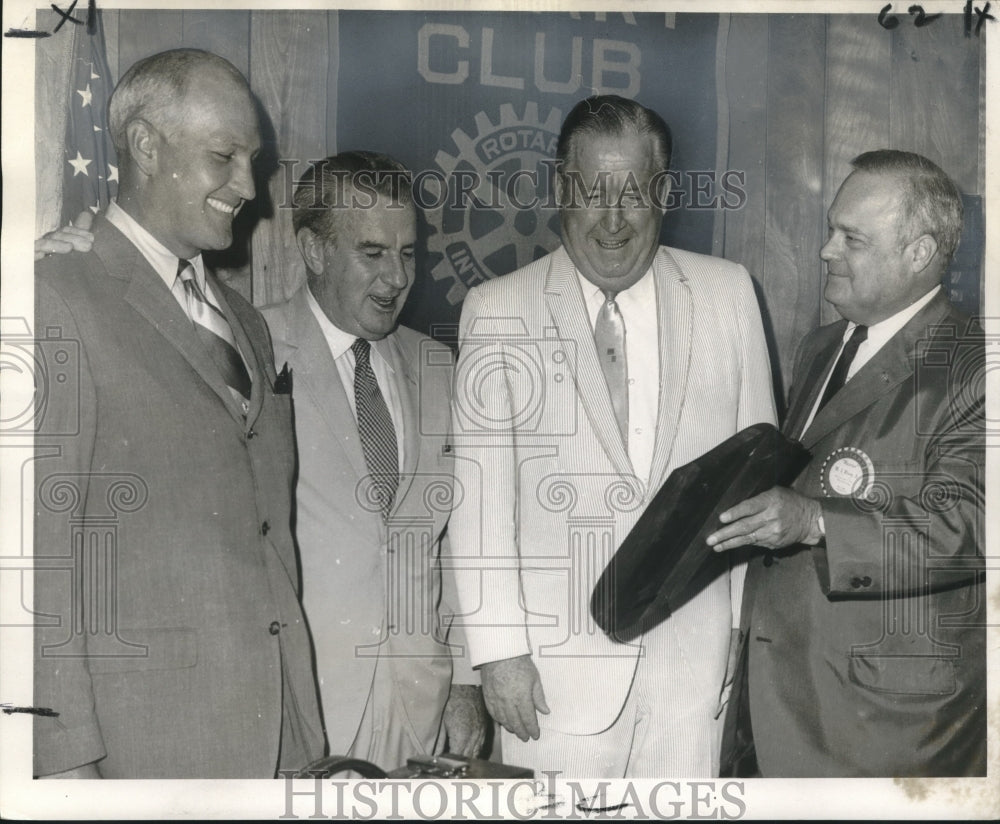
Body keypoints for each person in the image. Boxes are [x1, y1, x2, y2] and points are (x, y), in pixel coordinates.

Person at [447, 94, 777, 777]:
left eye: (634, 194)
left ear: (663, 193)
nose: (613, 220)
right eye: (592, 193)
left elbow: (755, 482)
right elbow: (478, 506)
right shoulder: (496, 308)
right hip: (551, 680)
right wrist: (498, 653)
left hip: (695, 671)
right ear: (559, 189)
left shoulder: (730, 294)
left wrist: (743, 626)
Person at [33, 48, 324, 778]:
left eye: (253, 161)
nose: (248, 187)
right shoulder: (54, 297)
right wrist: (61, 758)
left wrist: (303, 735)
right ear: (143, 144)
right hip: (142, 750)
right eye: (223, 156)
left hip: (278, 739)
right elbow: (37, 560)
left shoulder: (247, 324)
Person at [709, 150, 985, 777]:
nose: (826, 250)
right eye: (832, 228)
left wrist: (816, 522)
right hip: (783, 699)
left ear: (918, 253)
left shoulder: (975, 364)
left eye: (851, 238)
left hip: (888, 729)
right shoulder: (824, 344)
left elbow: (972, 526)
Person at [260, 152, 487, 769]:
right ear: (313, 251)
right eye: (372, 253)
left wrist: (465, 681)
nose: (396, 278)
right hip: (302, 704)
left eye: (408, 253)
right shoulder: (250, 351)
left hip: (420, 707)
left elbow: (453, 544)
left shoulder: (441, 367)